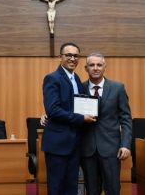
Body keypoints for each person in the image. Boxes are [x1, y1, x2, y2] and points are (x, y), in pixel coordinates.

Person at [42, 42, 96, 195]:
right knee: (56, 187)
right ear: (60, 57)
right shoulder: (52, 78)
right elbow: (52, 110)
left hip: (74, 144)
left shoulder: (77, 79)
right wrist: (81, 118)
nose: (72, 58)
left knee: (71, 187)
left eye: (76, 56)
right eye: (68, 55)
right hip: (58, 145)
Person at [81, 53, 132, 195]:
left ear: (105, 67)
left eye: (99, 65)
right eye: (91, 65)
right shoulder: (80, 88)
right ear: (86, 68)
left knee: (113, 189)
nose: (95, 68)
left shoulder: (118, 88)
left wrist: (126, 144)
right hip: (87, 149)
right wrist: (47, 115)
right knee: (91, 190)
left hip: (111, 149)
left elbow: (126, 119)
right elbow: (67, 110)